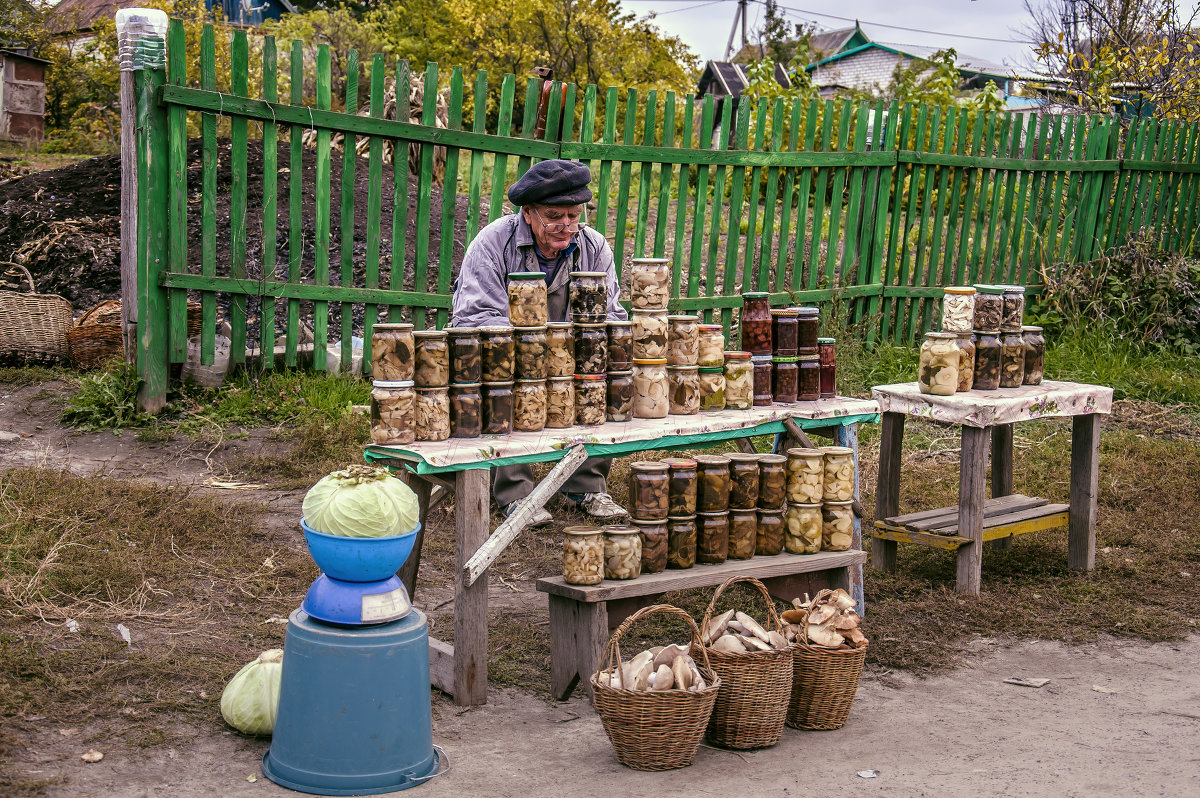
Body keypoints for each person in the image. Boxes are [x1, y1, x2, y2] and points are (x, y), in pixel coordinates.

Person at [450, 159, 628, 525]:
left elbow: (612, 312)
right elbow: (476, 315)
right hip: (509, 351)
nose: (566, 226)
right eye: (554, 216)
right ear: (527, 213)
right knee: (506, 377)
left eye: (573, 215)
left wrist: (591, 349)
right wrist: (534, 352)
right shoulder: (493, 242)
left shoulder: (593, 246)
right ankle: (516, 494)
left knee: (600, 372)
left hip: (570, 356)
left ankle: (586, 484)